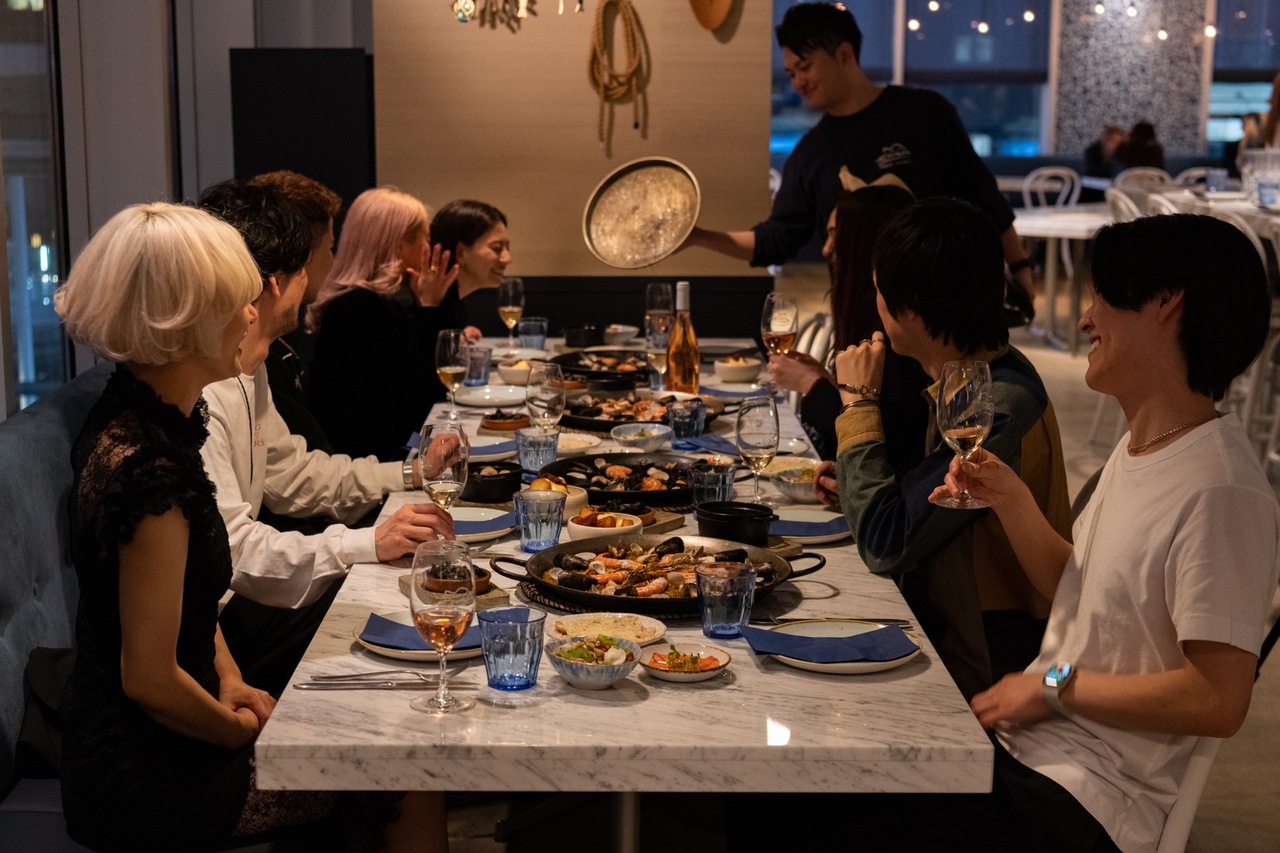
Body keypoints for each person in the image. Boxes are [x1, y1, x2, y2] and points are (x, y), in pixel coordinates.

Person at [53, 202, 449, 852]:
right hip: (146, 769)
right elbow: (148, 679)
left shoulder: (157, 418)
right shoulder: (150, 470)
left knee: (382, 737)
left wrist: (232, 678)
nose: (249, 315)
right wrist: (238, 728)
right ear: (183, 323)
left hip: (183, 716)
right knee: (404, 764)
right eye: (233, 302)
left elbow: (188, 599)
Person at [929, 213, 1280, 851]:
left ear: (1167, 304)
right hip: (1033, 758)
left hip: (1089, 797)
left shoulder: (1222, 488)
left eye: (1103, 298)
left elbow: (1218, 698)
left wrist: (1053, 688)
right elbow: (1082, 588)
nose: (1086, 319)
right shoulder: (1144, 445)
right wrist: (1010, 499)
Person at [198, 179, 459, 695]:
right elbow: (229, 552)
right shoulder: (203, 386)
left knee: (413, 592)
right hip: (218, 628)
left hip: (241, 606)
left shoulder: (250, 366)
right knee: (404, 611)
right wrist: (367, 543)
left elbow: (296, 474)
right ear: (278, 282)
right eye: (319, 258)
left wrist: (413, 471)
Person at [816, 197, 1071, 701]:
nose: (875, 304)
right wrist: (856, 485)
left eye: (878, 291)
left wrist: (858, 404)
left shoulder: (994, 406)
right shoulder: (980, 375)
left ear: (908, 308)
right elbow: (905, 515)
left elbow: (886, 545)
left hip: (986, 667)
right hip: (949, 636)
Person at [680, 2, 1035, 303]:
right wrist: (697, 236)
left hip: (947, 306)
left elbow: (982, 196)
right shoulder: (810, 152)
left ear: (844, 54)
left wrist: (1019, 265)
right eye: (790, 73)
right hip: (860, 320)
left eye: (805, 67)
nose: (797, 83)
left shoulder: (925, 113)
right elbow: (776, 240)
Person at [767, 182, 929, 474]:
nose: (826, 249)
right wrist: (828, 380)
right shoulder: (867, 316)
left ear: (862, 242)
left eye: (835, 235)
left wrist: (812, 385)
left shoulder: (897, 331)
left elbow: (890, 439)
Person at [307, 186, 462, 461]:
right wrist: (429, 308)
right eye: (426, 238)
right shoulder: (362, 308)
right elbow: (418, 397)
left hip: (369, 453)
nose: (429, 247)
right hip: (365, 463)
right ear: (399, 244)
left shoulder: (361, 302)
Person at [248, 169, 342, 453]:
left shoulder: (275, 341)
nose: (333, 262)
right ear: (302, 255)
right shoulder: (254, 353)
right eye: (330, 248)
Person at [429, 198, 512, 303]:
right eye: (497, 248)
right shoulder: (424, 305)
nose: (508, 259)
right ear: (460, 253)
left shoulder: (449, 303)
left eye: (508, 248)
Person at [1081, 124, 1125, 201]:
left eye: (1119, 143)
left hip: (1114, 193)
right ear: (1104, 140)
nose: (1116, 145)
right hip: (1091, 191)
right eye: (1112, 141)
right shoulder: (1092, 152)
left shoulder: (1122, 155)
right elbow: (1092, 173)